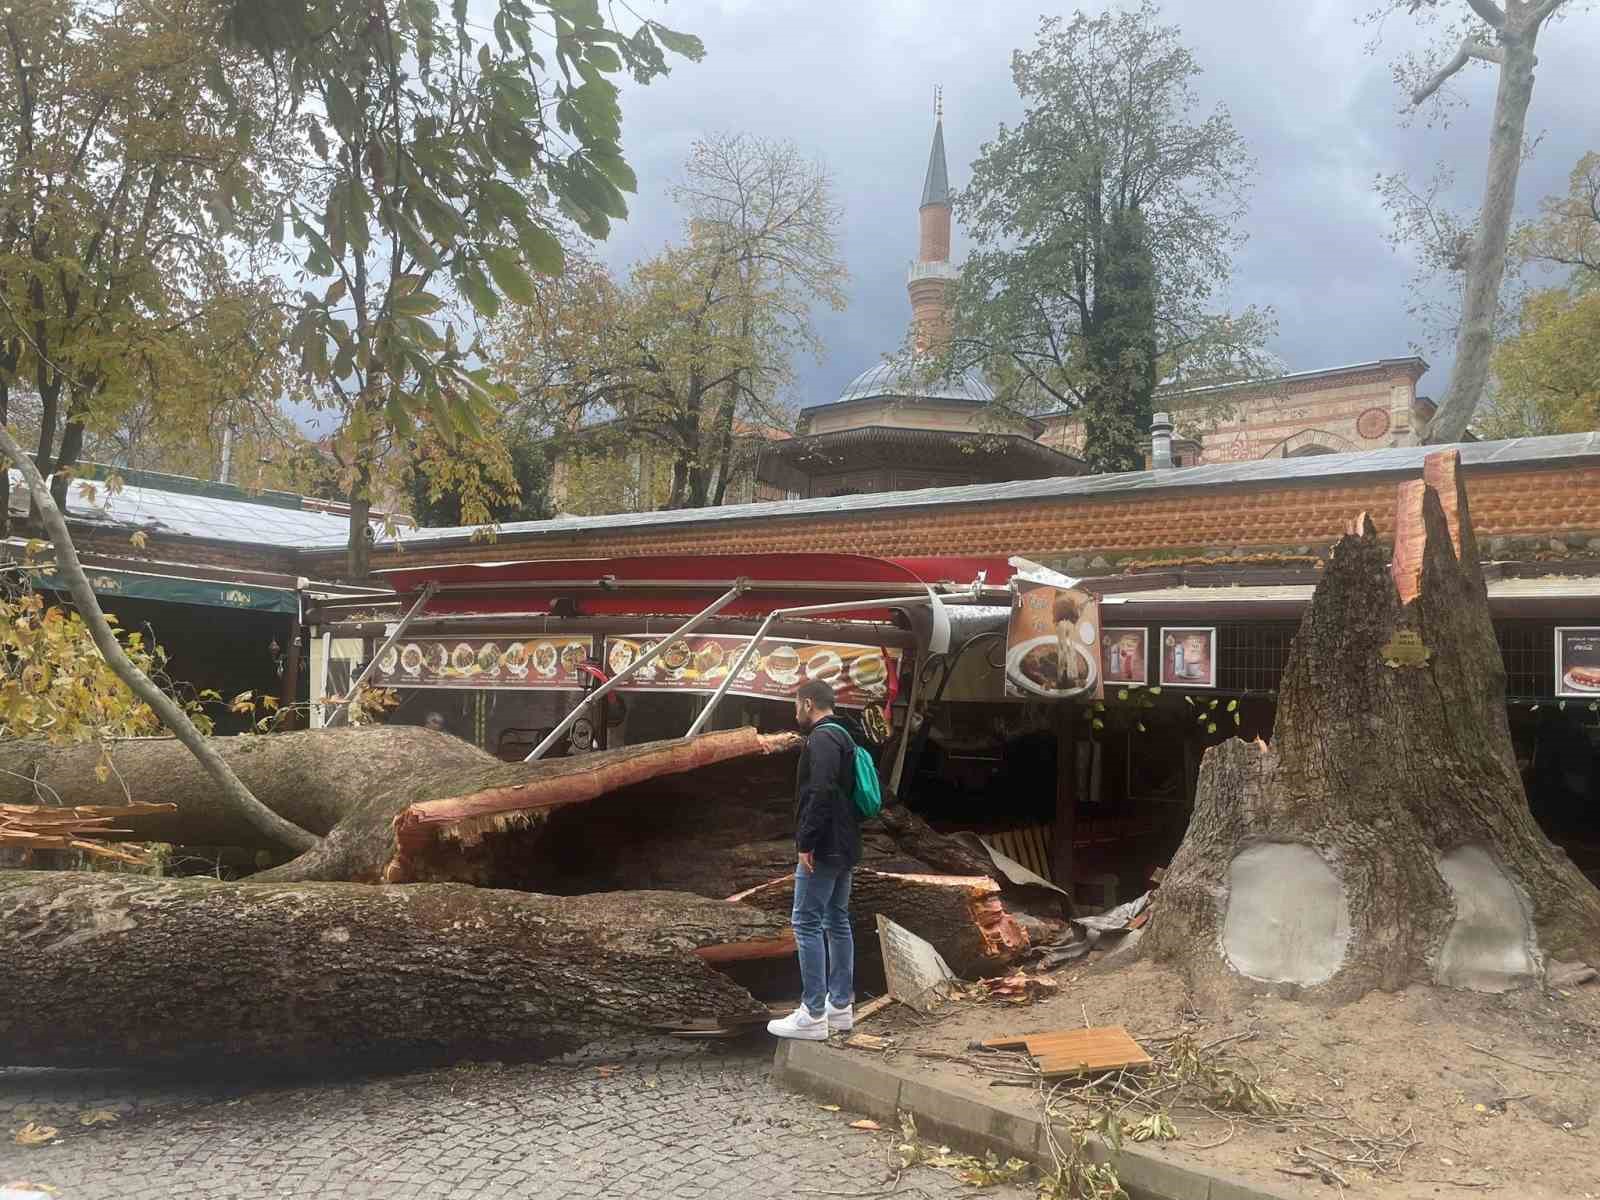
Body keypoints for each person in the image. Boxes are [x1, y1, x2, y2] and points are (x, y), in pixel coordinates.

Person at [768, 679, 868, 1041]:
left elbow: (821, 790)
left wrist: (806, 841)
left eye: (796, 704)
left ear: (808, 703)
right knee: (836, 919)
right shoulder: (846, 735)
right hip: (845, 843)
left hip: (824, 845)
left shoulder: (823, 738)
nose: (795, 711)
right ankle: (839, 1007)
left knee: (805, 922)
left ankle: (812, 1013)